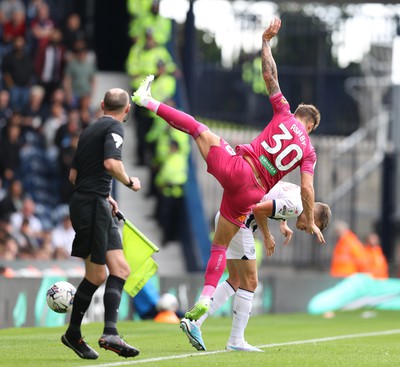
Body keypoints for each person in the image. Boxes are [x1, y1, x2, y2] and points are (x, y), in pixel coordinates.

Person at [132, 18, 325, 321]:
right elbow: (307, 189)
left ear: (297, 112)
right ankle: (206, 299)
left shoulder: (284, 113)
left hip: (237, 165)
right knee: (220, 246)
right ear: (311, 126)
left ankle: (146, 100)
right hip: (250, 192)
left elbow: (269, 76)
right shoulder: (309, 150)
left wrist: (265, 41)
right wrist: (309, 218)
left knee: (197, 128)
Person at [180, 181, 331, 352]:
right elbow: (259, 208)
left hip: (227, 215)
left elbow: (271, 195)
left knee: (236, 279)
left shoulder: (296, 194)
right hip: (240, 222)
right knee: (250, 282)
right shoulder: (296, 206)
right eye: (312, 225)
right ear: (313, 214)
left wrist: (282, 222)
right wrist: (267, 236)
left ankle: (195, 321)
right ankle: (236, 341)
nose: (308, 229)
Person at [61, 88, 141, 360]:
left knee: (120, 268)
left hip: (96, 203)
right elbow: (110, 163)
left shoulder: (87, 131)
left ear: (102, 104)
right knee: (97, 275)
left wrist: (106, 195)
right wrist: (130, 182)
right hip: (92, 206)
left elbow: (74, 175)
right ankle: (74, 333)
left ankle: (110, 332)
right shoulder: (116, 128)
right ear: (127, 109)